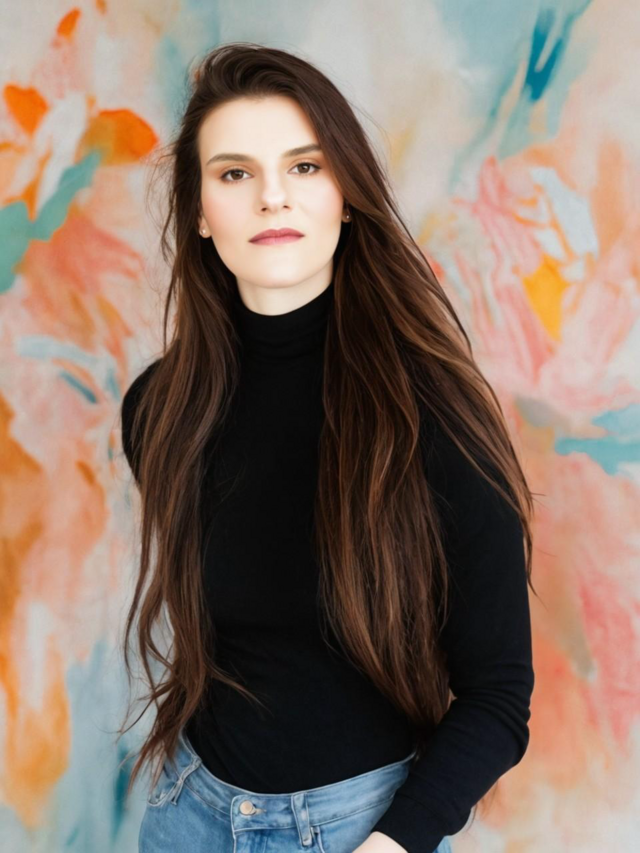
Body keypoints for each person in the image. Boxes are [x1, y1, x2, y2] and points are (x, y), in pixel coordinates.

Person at [118, 42, 537, 853]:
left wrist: (390, 844)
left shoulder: (435, 416)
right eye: (235, 173)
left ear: (345, 196)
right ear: (200, 211)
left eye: (305, 167)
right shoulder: (160, 411)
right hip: (186, 816)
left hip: (358, 830)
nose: (272, 196)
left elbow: (498, 697)